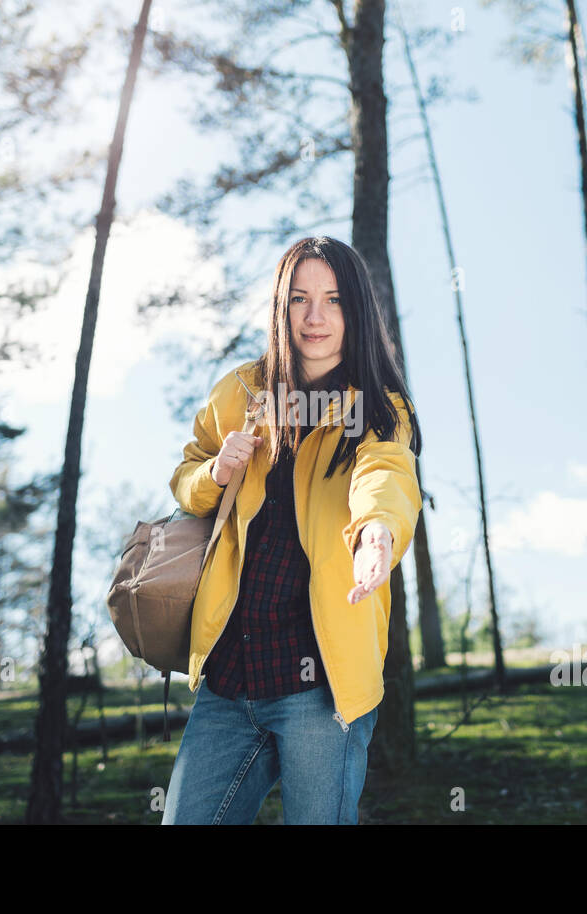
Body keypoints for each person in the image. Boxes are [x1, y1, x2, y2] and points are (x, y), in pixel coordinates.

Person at [161, 236, 423, 825]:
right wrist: (214, 471)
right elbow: (184, 475)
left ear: (355, 310)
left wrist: (377, 529)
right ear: (281, 307)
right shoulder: (241, 392)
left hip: (321, 689)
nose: (314, 317)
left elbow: (385, 472)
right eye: (299, 299)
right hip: (229, 680)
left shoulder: (377, 408)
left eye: (332, 300)